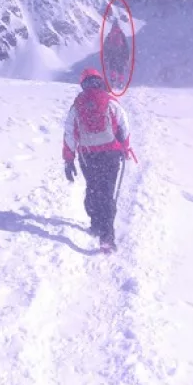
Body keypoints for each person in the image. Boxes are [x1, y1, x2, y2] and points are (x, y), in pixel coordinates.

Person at [62, 67, 131, 251]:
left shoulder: (77, 105)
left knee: (93, 188)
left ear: (83, 84)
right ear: (99, 81)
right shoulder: (110, 102)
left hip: (88, 155)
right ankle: (107, 236)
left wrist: (68, 160)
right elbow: (124, 125)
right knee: (107, 191)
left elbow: (69, 133)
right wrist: (125, 147)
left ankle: (95, 223)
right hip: (111, 154)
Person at [104, 20, 130, 86]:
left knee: (112, 68)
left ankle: (112, 82)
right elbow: (126, 46)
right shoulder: (121, 34)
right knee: (120, 69)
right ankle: (120, 83)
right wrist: (126, 56)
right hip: (121, 54)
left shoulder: (110, 34)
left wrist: (106, 56)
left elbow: (105, 46)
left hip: (112, 55)